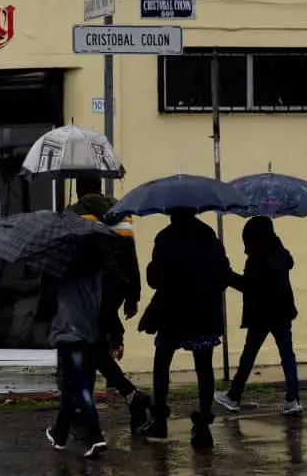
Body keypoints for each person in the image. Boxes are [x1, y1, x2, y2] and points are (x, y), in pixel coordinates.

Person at [60, 175, 150, 432]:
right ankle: (88, 406)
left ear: (78, 190)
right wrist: (134, 293)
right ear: (99, 187)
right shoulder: (121, 211)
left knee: (90, 345)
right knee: (93, 342)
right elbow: (130, 255)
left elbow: (71, 254)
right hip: (117, 287)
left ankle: (130, 394)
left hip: (89, 288)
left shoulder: (74, 214)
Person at [138, 207, 232, 448]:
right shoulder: (209, 236)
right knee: (204, 366)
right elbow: (222, 275)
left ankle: (160, 420)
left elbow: (154, 278)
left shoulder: (165, 237)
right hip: (202, 311)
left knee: (162, 362)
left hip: (172, 310)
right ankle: (202, 425)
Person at [215, 216, 302, 415]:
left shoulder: (258, 257)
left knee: (249, 354)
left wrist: (228, 277)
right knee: (287, 354)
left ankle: (233, 396)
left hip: (262, 312)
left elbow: (249, 286)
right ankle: (293, 398)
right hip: (282, 310)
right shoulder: (280, 252)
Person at [44, 234, 110, 459]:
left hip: (68, 332)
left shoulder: (62, 267)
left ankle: (95, 435)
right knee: (72, 384)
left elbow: (49, 300)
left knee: (80, 386)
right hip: (89, 332)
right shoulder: (98, 269)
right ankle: (60, 434)